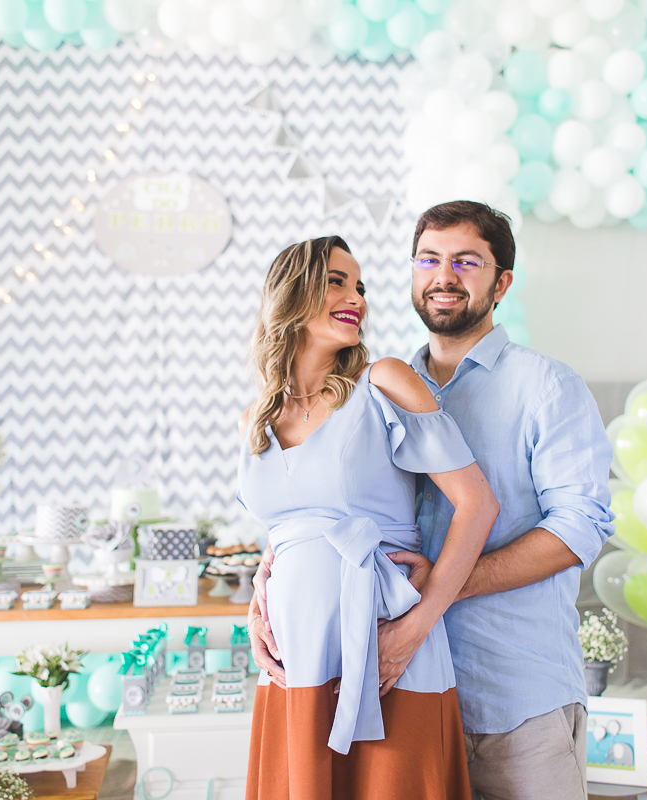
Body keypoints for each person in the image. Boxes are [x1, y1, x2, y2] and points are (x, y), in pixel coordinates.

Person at [250, 203, 614, 800]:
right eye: (429, 260)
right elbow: (329, 509)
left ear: (501, 283)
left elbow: (581, 526)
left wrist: (438, 591)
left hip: (510, 693)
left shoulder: (546, 387)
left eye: (466, 262)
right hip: (390, 687)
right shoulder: (372, 387)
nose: (444, 275)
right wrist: (269, 587)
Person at [238, 235, 500, 800]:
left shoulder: (381, 382)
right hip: (295, 654)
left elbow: (478, 505)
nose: (355, 296)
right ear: (291, 293)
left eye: (360, 285)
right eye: (336, 281)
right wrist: (258, 599)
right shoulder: (257, 418)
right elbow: (287, 531)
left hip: (384, 645)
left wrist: (416, 628)